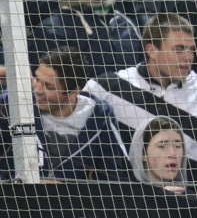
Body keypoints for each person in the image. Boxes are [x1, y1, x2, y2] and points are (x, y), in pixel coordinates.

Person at [84, 13, 197, 178]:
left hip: (184, 200)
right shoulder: (104, 89)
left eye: (191, 50)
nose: (188, 57)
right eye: (179, 49)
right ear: (152, 50)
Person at [0, 47, 128, 181]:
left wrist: (67, 190)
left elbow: (111, 178)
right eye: (37, 79)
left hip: (73, 201)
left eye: (48, 86)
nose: (37, 90)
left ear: (73, 93)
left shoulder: (100, 117)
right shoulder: (11, 105)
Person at [128, 115, 189, 192]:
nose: (173, 153)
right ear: (143, 153)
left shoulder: (194, 201)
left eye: (177, 146)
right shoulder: (124, 196)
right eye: (162, 146)